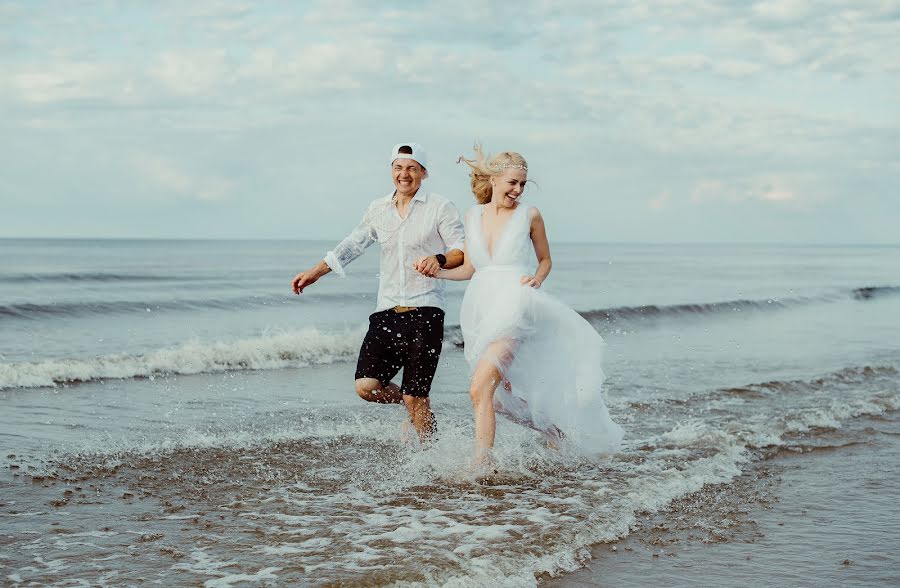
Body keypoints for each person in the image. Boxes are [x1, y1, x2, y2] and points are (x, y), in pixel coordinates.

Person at [434, 145, 623, 461]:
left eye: (522, 184)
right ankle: (554, 433)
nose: (518, 190)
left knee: (479, 388)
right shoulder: (472, 215)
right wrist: (435, 273)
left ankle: (481, 464)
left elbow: (546, 260)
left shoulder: (529, 215)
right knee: (494, 400)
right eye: (512, 183)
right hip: (480, 309)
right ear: (494, 180)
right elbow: (470, 268)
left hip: (516, 305)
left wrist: (537, 278)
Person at [291, 143, 465, 441]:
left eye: (411, 168)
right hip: (386, 312)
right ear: (391, 171)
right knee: (366, 387)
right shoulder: (379, 208)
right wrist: (315, 273)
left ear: (423, 173)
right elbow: (352, 245)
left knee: (416, 397)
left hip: (426, 312)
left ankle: (429, 456)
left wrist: (438, 260)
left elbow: (460, 251)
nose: (404, 174)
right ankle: (416, 408)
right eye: (398, 167)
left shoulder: (439, 207)